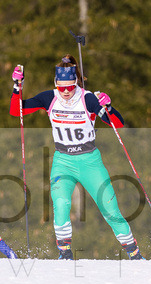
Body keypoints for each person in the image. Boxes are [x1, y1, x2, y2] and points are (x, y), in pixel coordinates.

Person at [10, 55, 143, 260]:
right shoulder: (49, 98)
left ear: (76, 83)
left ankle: (134, 253)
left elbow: (117, 123)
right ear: (56, 83)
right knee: (61, 203)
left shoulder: (87, 98)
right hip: (63, 161)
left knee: (110, 210)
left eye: (70, 87)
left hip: (90, 161)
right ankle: (65, 253)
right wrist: (17, 88)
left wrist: (109, 106)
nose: (65, 91)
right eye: (61, 87)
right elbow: (16, 110)